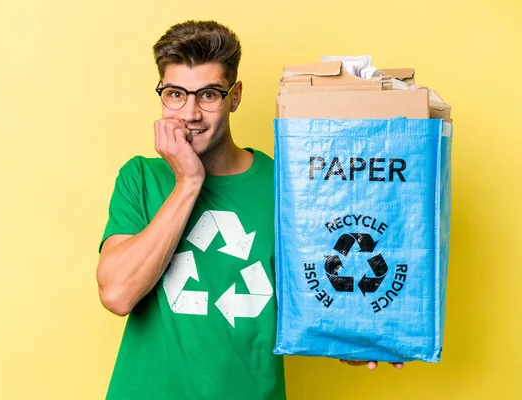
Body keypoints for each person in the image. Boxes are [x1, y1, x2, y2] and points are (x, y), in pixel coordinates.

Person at [96, 20, 402, 400]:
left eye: (208, 95)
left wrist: (355, 336)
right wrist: (187, 182)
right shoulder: (140, 177)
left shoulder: (290, 186)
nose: (190, 114)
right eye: (175, 94)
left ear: (235, 96)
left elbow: (323, 294)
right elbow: (117, 294)